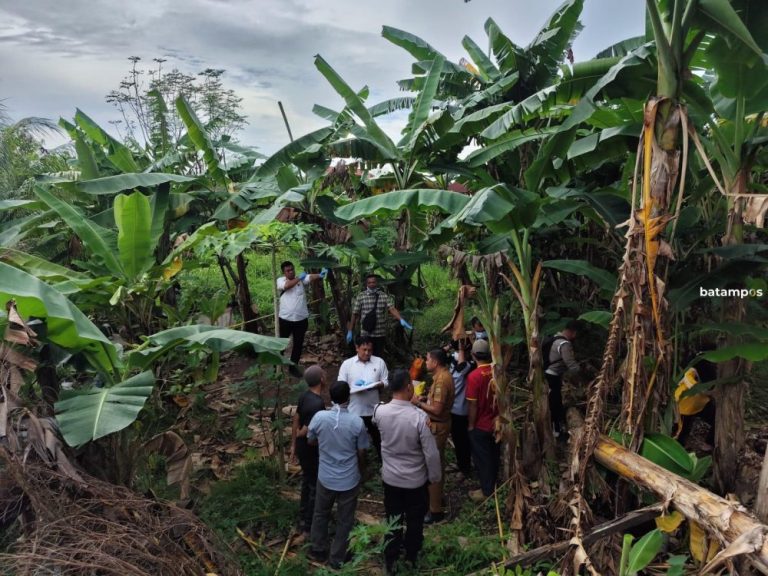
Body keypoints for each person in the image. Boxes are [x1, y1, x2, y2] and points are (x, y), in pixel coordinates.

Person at [373, 369, 441, 575]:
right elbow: (431, 454)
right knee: (414, 521)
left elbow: (378, 426)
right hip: (415, 481)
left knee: (392, 519)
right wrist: (434, 477)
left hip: (391, 479)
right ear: (409, 387)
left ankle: (391, 559)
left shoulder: (379, 411)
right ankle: (411, 556)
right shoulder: (419, 418)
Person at [308, 381, 369, 569]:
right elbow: (362, 452)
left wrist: (326, 445)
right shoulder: (356, 422)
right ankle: (337, 557)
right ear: (348, 398)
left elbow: (310, 441)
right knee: (345, 519)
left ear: (330, 397)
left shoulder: (320, 417)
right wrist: (363, 470)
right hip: (348, 480)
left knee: (320, 513)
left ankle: (318, 549)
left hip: (325, 476)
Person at [413, 349, 454, 523]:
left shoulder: (442, 381)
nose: (426, 362)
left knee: (433, 467)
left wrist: (418, 403)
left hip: (438, 428)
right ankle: (436, 500)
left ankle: (435, 509)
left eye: (428, 359)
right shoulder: (440, 377)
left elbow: (437, 410)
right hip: (438, 426)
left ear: (435, 362)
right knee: (435, 465)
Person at [289, 365, 326, 537]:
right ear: (322, 380)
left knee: (306, 480)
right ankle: (308, 524)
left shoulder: (304, 396)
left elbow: (296, 418)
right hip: (310, 448)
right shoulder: (317, 403)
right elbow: (306, 429)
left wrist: (293, 445)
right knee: (313, 485)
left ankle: (302, 516)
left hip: (302, 447)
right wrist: (300, 435)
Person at [337, 335, 389, 457]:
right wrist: (352, 389)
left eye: (370, 350)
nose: (367, 353)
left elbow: (386, 382)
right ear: (357, 348)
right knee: (353, 438)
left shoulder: (379, 362)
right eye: (364, 350)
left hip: (373, 409)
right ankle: (356, 461)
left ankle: (382, 460)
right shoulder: (347, 364)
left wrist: (377, 385)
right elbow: (341, 384)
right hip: (354, 410)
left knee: (377, 437)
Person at [277, 260, 327, 377]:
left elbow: (309, 277)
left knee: (298, 344)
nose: (291, 272)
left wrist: (320, 275)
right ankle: (277, 366)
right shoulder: (280, 280)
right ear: (284, 272)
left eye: (292, 269)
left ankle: (293, 367)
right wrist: (299, 278)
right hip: (285, 319)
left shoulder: (300, 280)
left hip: (301, 320)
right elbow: (287, 286)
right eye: (288, 271)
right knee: (281, 343)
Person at [347, 273, 412, 358]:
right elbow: (355, 314)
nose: (371, 284)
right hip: (366, 333)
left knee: (378, 356)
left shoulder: (383, 296)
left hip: (379, 333)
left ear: (376, 283)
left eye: (373, 282)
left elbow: (391, 308)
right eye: (369, 282)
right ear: (366, 284)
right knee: (366, 355)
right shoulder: (361, 296)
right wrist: (350, 331)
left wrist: (401, 319)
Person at [466, 339, 499, 502]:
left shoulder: (473, 376)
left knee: (483, 459)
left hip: (481, 425)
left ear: (473, 355)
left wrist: (471, 425)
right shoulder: (497, 371)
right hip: (497, 423)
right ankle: (496, 485)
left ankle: (487, 492)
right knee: (494, 455)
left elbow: (472, 405)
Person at [543, 320, 581, 438]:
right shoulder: (564, 344)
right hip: (553, 377)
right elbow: (571, 365)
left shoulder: (553, 338)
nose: (575, 337)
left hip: (546, 374)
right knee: (555, 404)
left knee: (552, 402)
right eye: (575, 334)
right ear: (572, 332)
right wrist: (581, 376)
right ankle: (557, 432)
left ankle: (553, 429)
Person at [447, 338, 475, 478]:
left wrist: (461, 350)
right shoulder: (453, 360)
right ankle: (460, 463)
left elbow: (461, 367)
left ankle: (465, 468)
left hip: (461, 410)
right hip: (452, 408)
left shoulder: (469, 365)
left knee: (462, 440)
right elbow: (437, 355)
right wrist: (449, 347)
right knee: (457, 439)